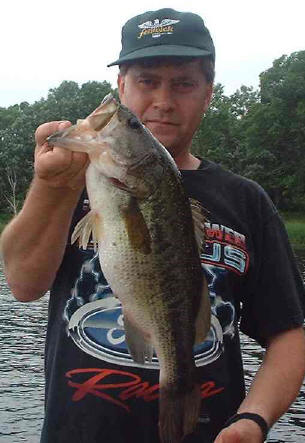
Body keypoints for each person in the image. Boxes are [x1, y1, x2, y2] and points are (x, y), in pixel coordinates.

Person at [1, 7, 305, 443]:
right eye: (146, 81)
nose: (163, 100)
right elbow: (24, 285)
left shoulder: (246, 201)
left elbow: (288, 334)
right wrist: (51, 188)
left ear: (208, 93)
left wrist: (254, 420)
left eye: (183, 83)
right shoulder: (70, 180)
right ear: (121, 86)